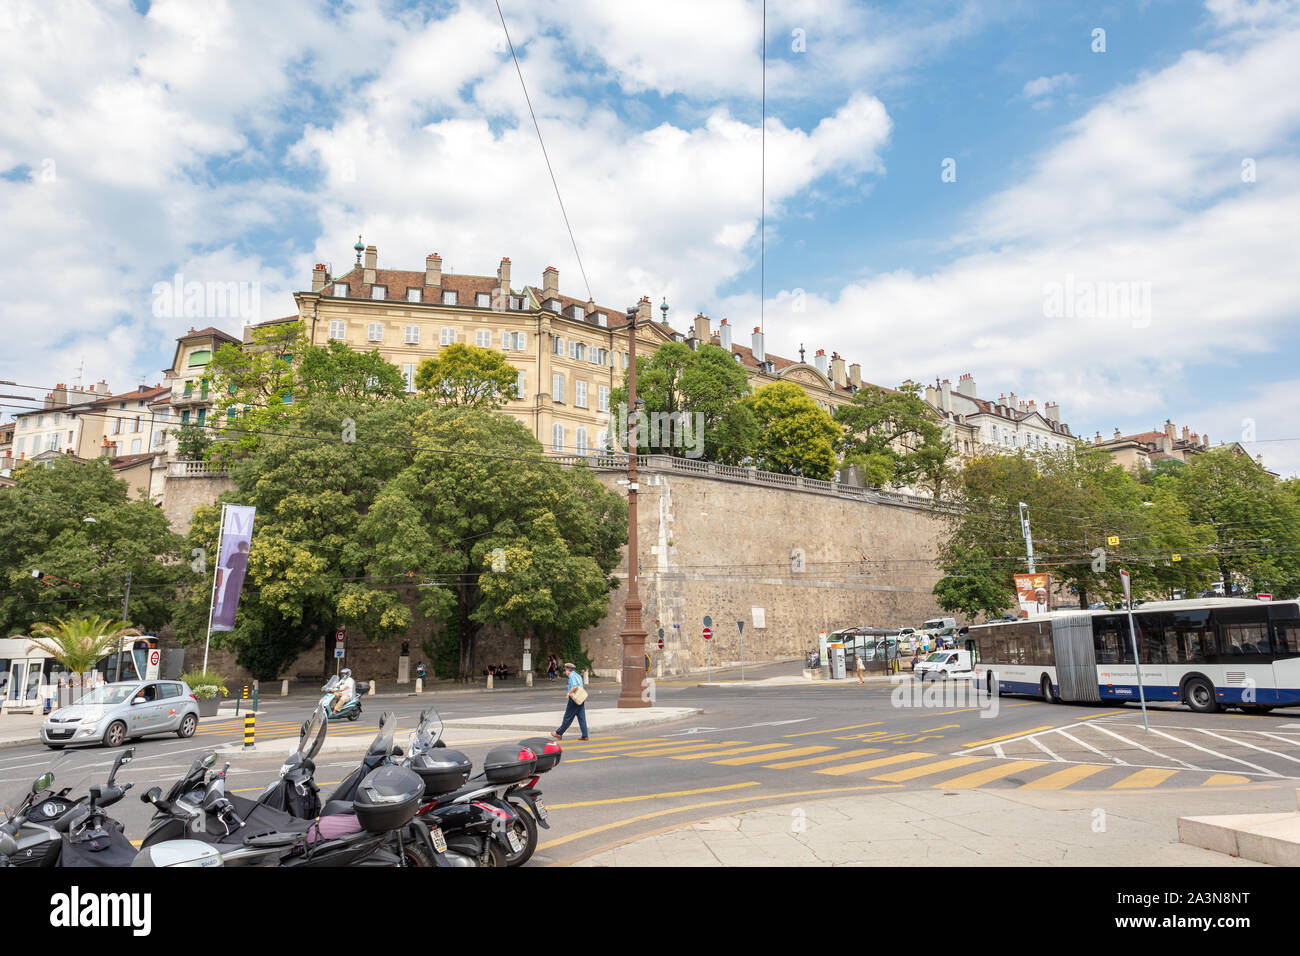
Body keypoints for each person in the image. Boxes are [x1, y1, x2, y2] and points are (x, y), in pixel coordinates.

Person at [551, 663, 589, 741]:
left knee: (568, 717)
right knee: (582, 718)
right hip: (580, 699)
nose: (565, 672)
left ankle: (558, 733)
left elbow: (574, 686)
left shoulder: (571, 676)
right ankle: (585, 735)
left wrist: (568, 693)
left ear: (568, 670)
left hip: (574, 699)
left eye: (565, 670)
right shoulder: (578, 675)